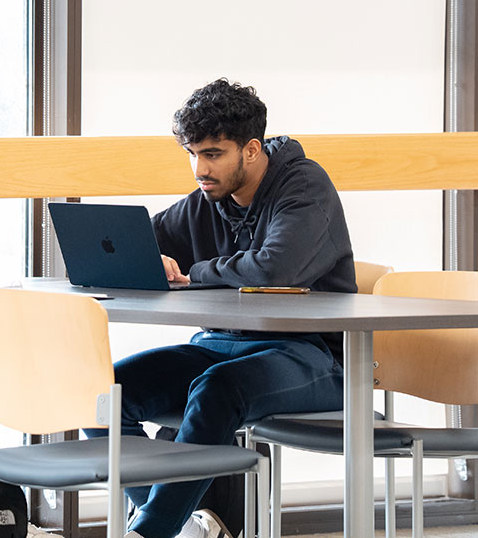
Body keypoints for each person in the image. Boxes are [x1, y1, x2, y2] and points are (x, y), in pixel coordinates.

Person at [94, 79, 356, 538]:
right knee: (98, 392)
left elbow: (276, 268)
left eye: (212, 153)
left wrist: (195, 272)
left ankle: (151, 530)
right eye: (193, 153)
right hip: (220, 345)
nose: (200, 168)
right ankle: (184, 523)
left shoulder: (305, 188)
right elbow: (141, 243)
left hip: (314, 357)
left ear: (251, 150)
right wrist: (146, 258)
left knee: (217, 388)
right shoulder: (207, 200)